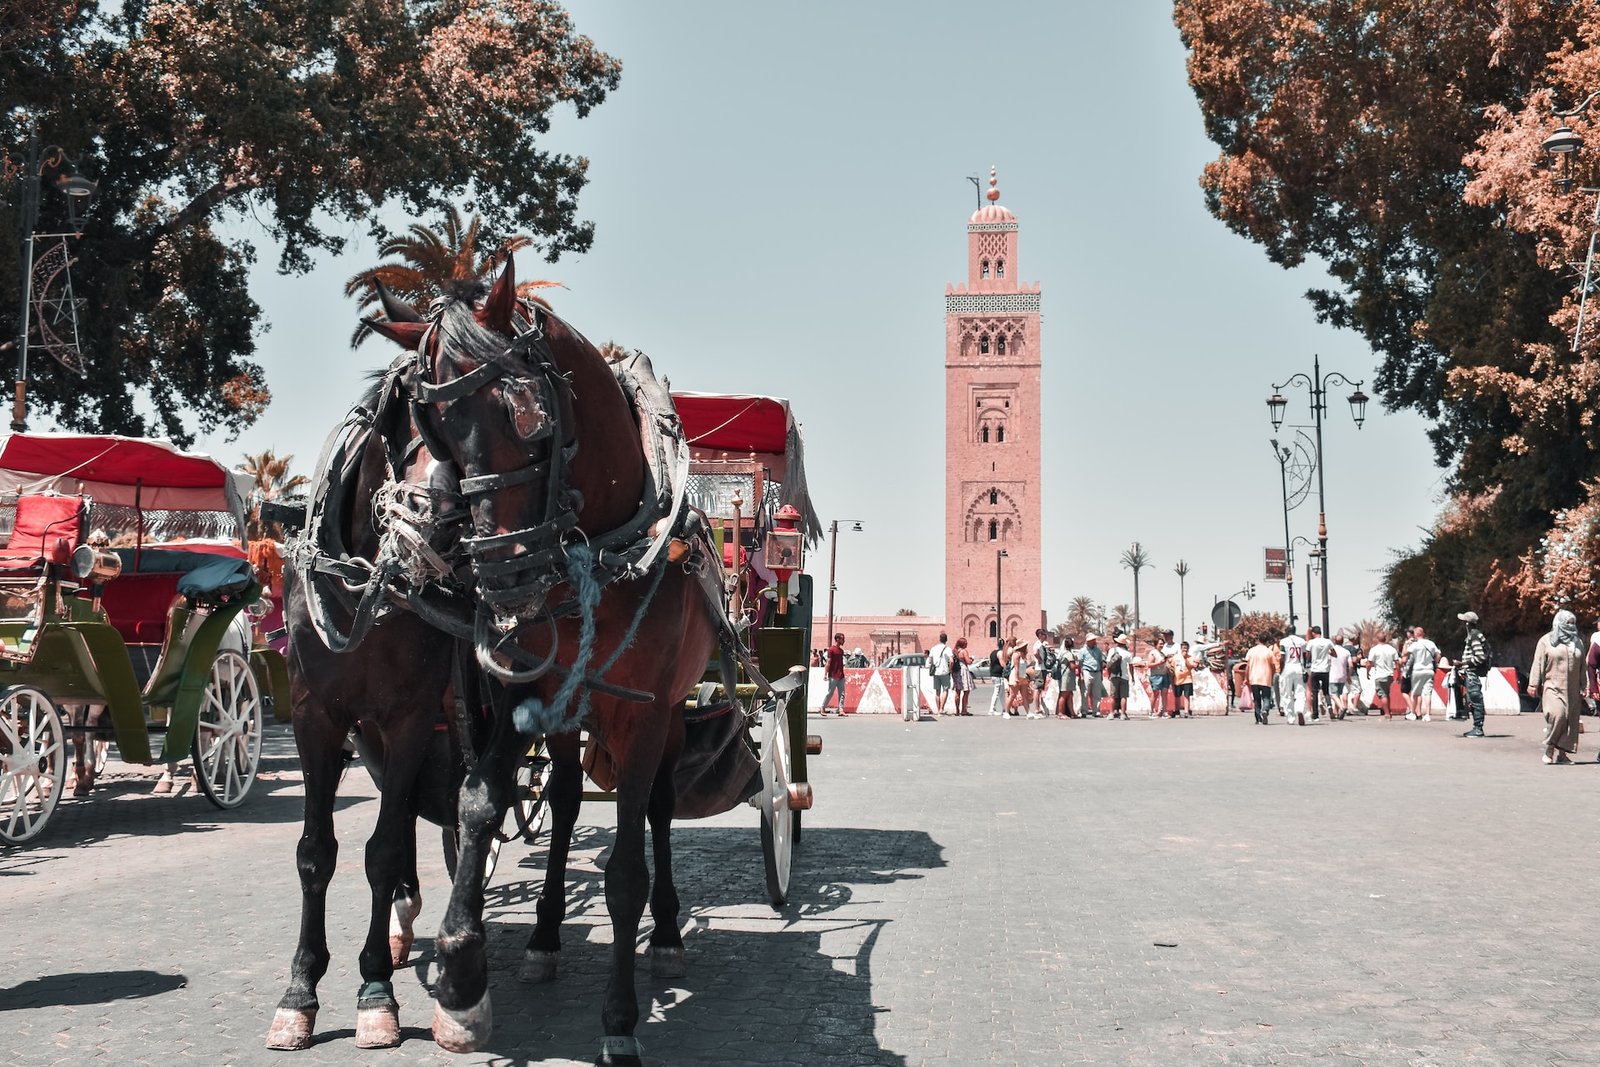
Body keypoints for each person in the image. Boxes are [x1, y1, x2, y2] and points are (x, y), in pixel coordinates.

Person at [1530, 608, 1585, 764]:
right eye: (1567, 623)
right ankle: (1549, 748)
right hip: (1553, 685)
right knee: (1558, 715)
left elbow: (1583, 665)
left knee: (1570, 721)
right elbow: (1538, 662)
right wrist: (1533, 683)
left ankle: (1562, 755)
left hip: (1573, 688)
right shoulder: (1546, 641)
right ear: (1559, 623)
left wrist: (1585, 685)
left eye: (1573, 623)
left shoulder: (1577, 642)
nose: (1570, 626)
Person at [1456, 610, 1492, 738]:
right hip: (1471, 673)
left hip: (1472, 674)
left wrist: (1463, 663)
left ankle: (1478, 728)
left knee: (1475, 699)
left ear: (1467, 624)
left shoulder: (1474, 636)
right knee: (1472, 699)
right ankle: (1476, 727)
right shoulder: (1474, 635)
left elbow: (1480, 657)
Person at [1403, 626, 1441, 720]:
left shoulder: (1415, 645)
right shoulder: (1431, 643)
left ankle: (1412, 713)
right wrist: (1435, 662)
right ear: (1423, 634)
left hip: (1418, 670)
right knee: (1427, 693)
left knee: (1415, 693)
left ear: (1415, 635)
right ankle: (1427, 714)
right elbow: (1438, 655)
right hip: (1429, 670)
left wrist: (1406, 644)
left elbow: (1404, 653)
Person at [1245, 632, 1278, 725]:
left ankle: (1258, 718)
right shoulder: (1269, 652)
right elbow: (1273, 666)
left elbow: (1247, 666)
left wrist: (1246, 678)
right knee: (1266, 697)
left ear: (1258, 639)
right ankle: (1265, 710)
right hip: (1266, 678)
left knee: (1256, 699)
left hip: (1254, 678)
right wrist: (1272, 676)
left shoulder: (1251, 651)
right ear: (1267, 641)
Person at [1366, 632, 1399, 719]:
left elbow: (1369, 662)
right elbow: (1397, 663)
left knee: (1382, 694)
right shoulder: (1392, 649)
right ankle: (1389, 711)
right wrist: (1398, 674)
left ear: (1377, 639)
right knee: (1387, 693)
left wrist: (1367, 672)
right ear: (1386, 639)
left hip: (1379, 675)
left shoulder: (1374, 650)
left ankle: (1387, 713)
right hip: (1389, 675)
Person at [1279, 628, 1308, 725]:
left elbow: (1282, 657)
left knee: (1287, 693)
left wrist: (1281, 670)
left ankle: (1290, 717)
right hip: (1299, 668)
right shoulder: (1302, 641)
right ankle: (1299, 710)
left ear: (1287, 632)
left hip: (1288, 668)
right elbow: (1304, 656)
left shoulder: (1283, 641)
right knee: (1300, 692)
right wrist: (1304, 668)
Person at [1304, 626, 1333, 720]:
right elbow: (1334, 653)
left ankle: (1315, 715)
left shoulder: (1311, 642)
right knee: (1326, 691)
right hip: (1325, 669)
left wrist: (1308, 660)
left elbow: (1307, 654)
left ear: (1313, 633)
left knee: (1315, 692)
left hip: (1315, 669)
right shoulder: (1327, 641)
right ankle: (1329, 705)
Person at [1146, 629, 1175, 718]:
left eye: (1162, 643)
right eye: (1160, 644)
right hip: (1156, 676)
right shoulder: (1153, 653)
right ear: (1156, 645)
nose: (1162, 645)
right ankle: (1151, 711)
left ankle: (1164, 712)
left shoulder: (1162, 653)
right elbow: (1149, 665)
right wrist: (1159, 663)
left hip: (1164, 675)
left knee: (1164, 694)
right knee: (1155, 694)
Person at [926, 632, 955, 716]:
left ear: (939, 639)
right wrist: (950, 669)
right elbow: (952, 661)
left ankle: (938, 710)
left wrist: (934, 664)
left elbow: (930, 660)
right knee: (945, 690)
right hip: (945, 672)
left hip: (936, 672)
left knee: (937, 691)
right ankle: (942, 708)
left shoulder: (933, 648)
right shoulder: (947, 649)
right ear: (946, 640)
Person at [1078, 633, 1105, 717]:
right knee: (1085, 692)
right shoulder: (1083, 650)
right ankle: (1084, 710)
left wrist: (1101, 673)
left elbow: (1100, 661)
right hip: (1087, 671)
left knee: (1097, 693)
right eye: (1093, 640)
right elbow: (1080, 663)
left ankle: (1096, 710)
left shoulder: (1098, 650)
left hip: (1097, 671)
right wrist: (1081, 675)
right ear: (1088, 641)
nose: (1094, 642)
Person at [1105, 635, 1131, 719]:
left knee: (1113, 696)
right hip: (1124, 676)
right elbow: (1131, 666)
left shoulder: (1112, 650)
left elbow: (1108, 664)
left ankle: (1111, 713)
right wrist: (1132, 677)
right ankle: (1123, 714)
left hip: (1114, 675)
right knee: (1123, 696)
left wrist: (1109, 675)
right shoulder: (1128, 653)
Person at [1328, 632, 1354, 718]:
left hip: (1333, 675)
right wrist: (1349, 676)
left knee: (1333, 694)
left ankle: (1342, 707)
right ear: (1343, 642)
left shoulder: (1331, 651)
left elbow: (1328, 662)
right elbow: (1351, 665)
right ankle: (1337, 712)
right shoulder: (1346, 652)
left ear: (1334, 641)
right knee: (1338, 694)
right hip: (1342, 675)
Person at [821, 633, 847, 715]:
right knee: (830, 692)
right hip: (833, 675)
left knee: (842, 693)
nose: (844, 641)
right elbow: (828, 662)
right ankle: (823, 707)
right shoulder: (831, 650)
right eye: (842, 639)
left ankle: (841, 709)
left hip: (841, 675)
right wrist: (825, 674)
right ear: (838, 639)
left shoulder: (841, 651)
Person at [1171, 640, 1197, 717]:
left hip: (1187, 679)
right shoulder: (1175, 657)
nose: (1185, 650)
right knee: (1177, 696)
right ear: (1181, 648)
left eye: (1186, 648)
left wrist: (1185, 658)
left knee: (1187, 695)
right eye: (1183, 648)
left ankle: (1186, 711)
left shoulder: (1190, 657)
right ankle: (1177, 710)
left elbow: (1190, 666)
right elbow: (1172, 667)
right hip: (1177, 679)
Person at [1055, 636, 1078, 718]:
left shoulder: (1062, 653)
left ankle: (1072, 713)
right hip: (1067, 676)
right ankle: (1061, 713)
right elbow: (1072, 666)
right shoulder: (1068, 654)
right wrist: (1079, 666)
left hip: (1064, 675)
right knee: (1064, 695)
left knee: (1070, 695)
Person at [951, 637, 974, 716]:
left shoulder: (954, 651)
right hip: (963, 671)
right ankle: (964, 710)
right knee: (966, 691)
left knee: (957, 691)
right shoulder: (964, 651)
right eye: (965, 643)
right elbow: (968, 662)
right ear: (962, 644)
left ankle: (957, 710)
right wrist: (971, 660)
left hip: (956, 672)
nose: (967, 644)